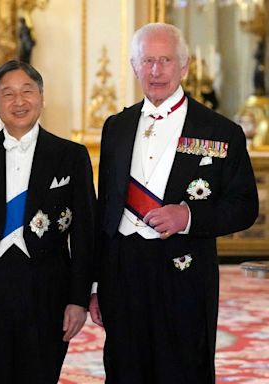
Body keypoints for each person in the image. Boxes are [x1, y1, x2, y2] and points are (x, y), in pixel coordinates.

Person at [90, 23, 259, 384]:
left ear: (184, 66)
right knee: (124, 369)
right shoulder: (115, 127)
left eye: (165, 60)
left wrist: (188, 216)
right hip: (124, 272)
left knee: (182, 370)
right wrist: (95, 285)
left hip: (184, 271)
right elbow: (105, 211)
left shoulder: (219, 131)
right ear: (134, 67)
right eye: (147, 60)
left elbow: (245, 205)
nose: (156, 70)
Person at [0, 60, 96, 384]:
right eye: (7, 94)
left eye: (28, 91)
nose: (19, 101)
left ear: (41, 97)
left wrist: (79, 298)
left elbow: (85, 233)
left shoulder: (70, 155)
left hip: (48, 289)